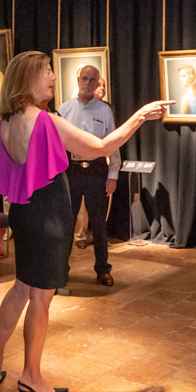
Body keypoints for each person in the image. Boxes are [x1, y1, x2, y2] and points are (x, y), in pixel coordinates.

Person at [0, 51, 170, 392]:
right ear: (30, 79)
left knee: (21, 287)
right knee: (40, 297)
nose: (53, 76)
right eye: (47, 71)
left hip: (24, 211)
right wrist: (141, 116)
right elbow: (101, 146)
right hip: (48, 214)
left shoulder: (5, 119)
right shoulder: (45, 120)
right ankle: (32, 376)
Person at [57, 65, 121, 285]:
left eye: (92, 79)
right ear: (78, 80)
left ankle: (103, 269)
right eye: (84, 78)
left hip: (97, 171)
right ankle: (60, 270)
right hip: (71, 171)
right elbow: (56, 146)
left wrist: (113, 174)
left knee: (99, 224)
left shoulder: (104, 110)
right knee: (67, 223)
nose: (88, 82)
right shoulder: (63, 110)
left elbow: (113, 143)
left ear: (97, 83)